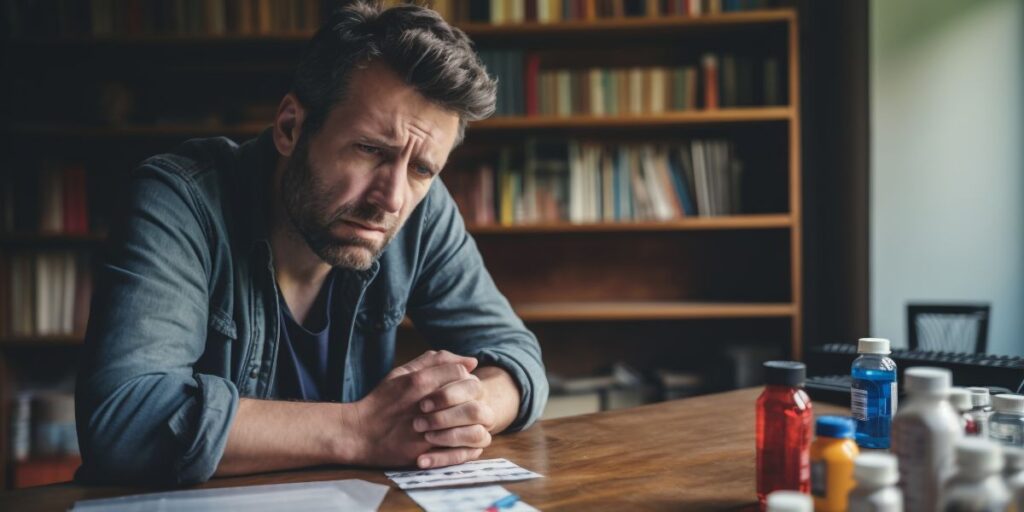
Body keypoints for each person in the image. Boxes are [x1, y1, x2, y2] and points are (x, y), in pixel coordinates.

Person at [74, 1, 547, 486]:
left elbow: (516, 356)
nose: (391, 198)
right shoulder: (179, 201)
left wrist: (467, 408)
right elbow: (125, 420)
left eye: (423, 168)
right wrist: (360, 430)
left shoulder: (423, 211)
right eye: (369, 150)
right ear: (290, 127)